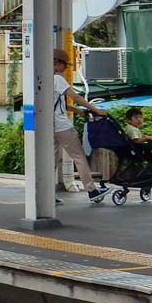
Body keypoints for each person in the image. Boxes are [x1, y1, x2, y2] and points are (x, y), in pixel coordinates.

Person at [51, 50, 109, 202]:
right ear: (56, 62)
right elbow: (75, 97)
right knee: (79, 156)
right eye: (65, 64)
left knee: (51, 160)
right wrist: (95, 110)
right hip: (62, 126)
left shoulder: (42, 78)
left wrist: (78, 111)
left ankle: (48, 195)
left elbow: (58, 104)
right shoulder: (57, 79)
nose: (66, 68)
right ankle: (92, 190)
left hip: (48, 126)